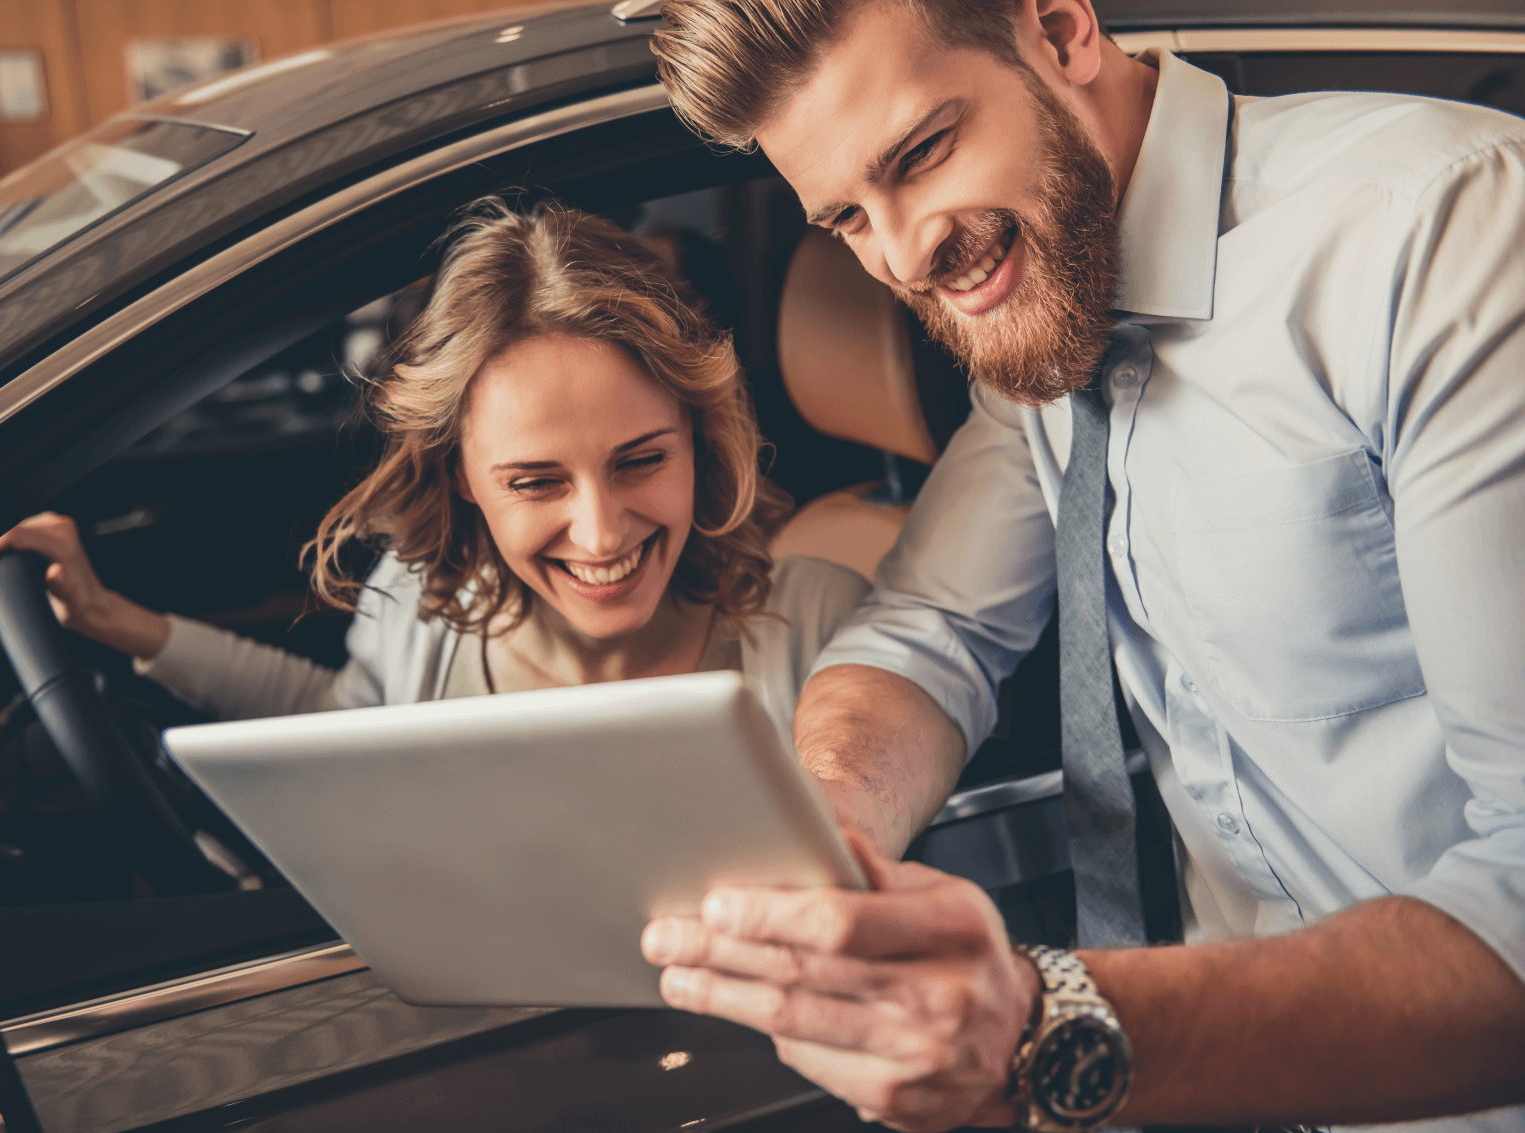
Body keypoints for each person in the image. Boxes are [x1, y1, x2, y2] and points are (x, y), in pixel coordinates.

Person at [637, 1, 1525, 1132]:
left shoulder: (1436, 232)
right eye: (848, 217)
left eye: (920, 153)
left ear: (1058, 29)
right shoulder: (1042, 310)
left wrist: (1045, 1019)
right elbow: (927, 629)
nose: (906, 254)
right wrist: (828, 830)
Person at [0, 200, 868, 741]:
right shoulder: (419, 605)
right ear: (462, 475)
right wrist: (117, 622)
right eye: (535, 481)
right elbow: (349, 729)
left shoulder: (818, 628)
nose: (600, 531)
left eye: (640, 461)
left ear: (699, 439)